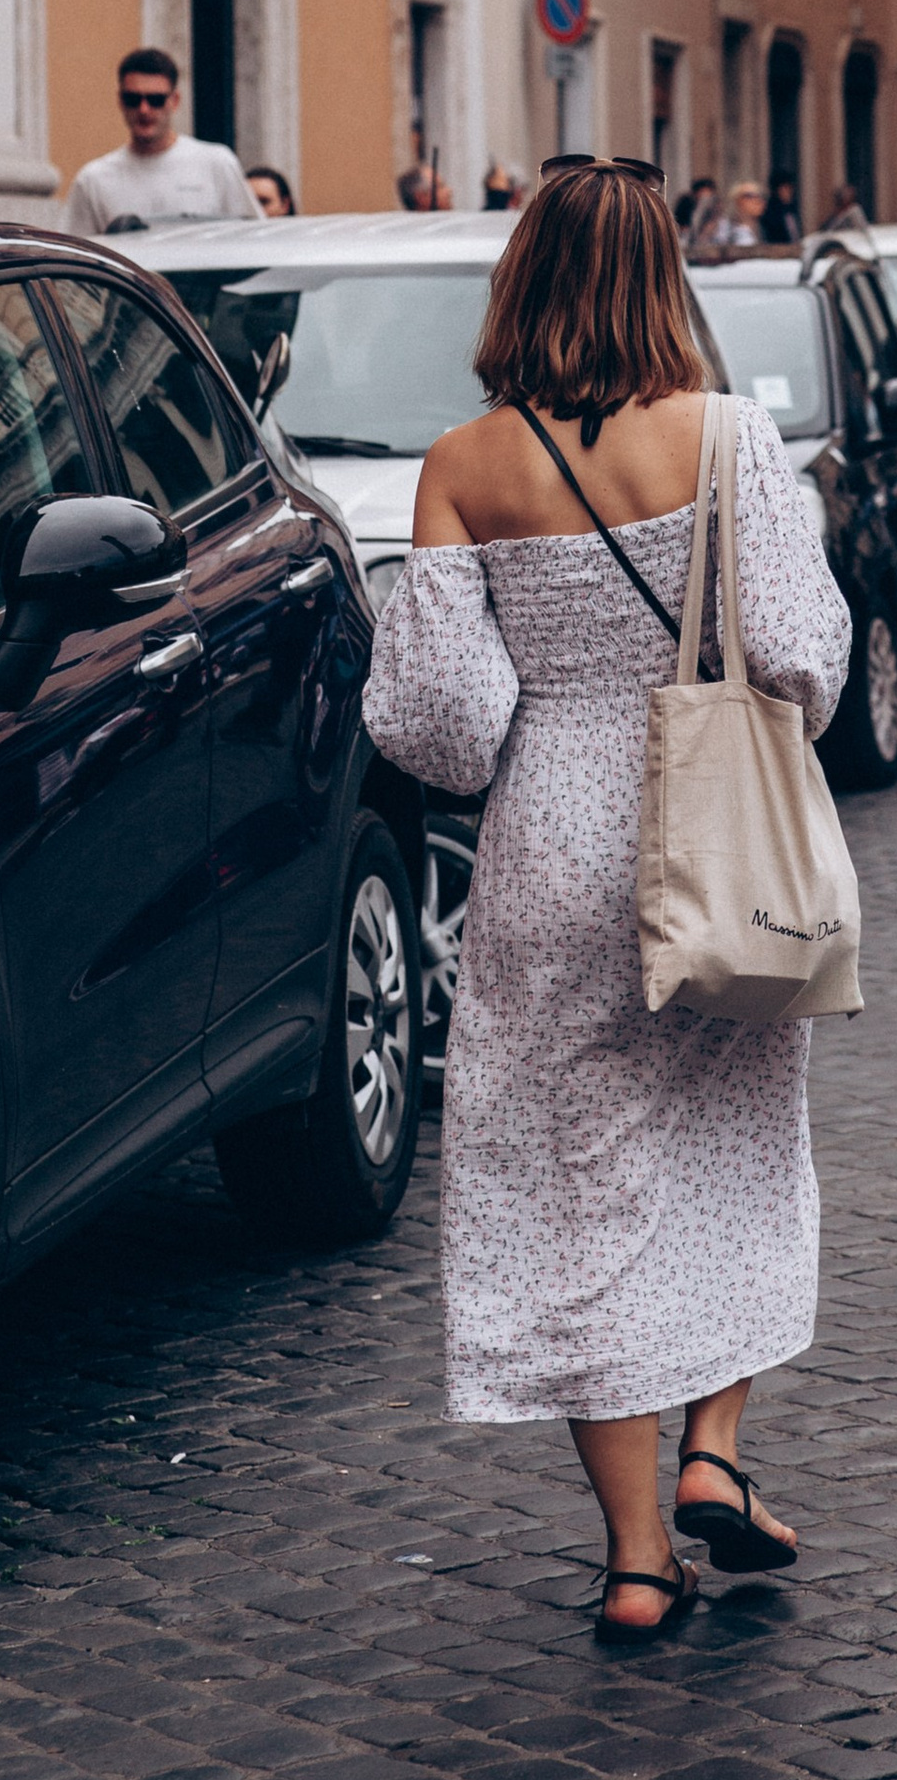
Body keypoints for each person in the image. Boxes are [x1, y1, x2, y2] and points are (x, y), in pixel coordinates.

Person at [359, 161, 850, 1638]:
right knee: (732, 1147)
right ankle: (716, 1449)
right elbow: (795, 654)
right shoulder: (729, 440)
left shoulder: (463, 464)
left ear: (522, 280)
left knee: (580, 1193)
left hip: (547, 851)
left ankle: (640, 1561)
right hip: (709, 838)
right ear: (664, 278)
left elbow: (438, 728)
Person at [61, 46, 258, 237]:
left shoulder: (217, 163)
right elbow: (76, 256)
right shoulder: (93, 179)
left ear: (175, 101)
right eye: (133, 99)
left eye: (156, 100)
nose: (144, 109)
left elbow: (253, 237)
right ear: (120, 101)